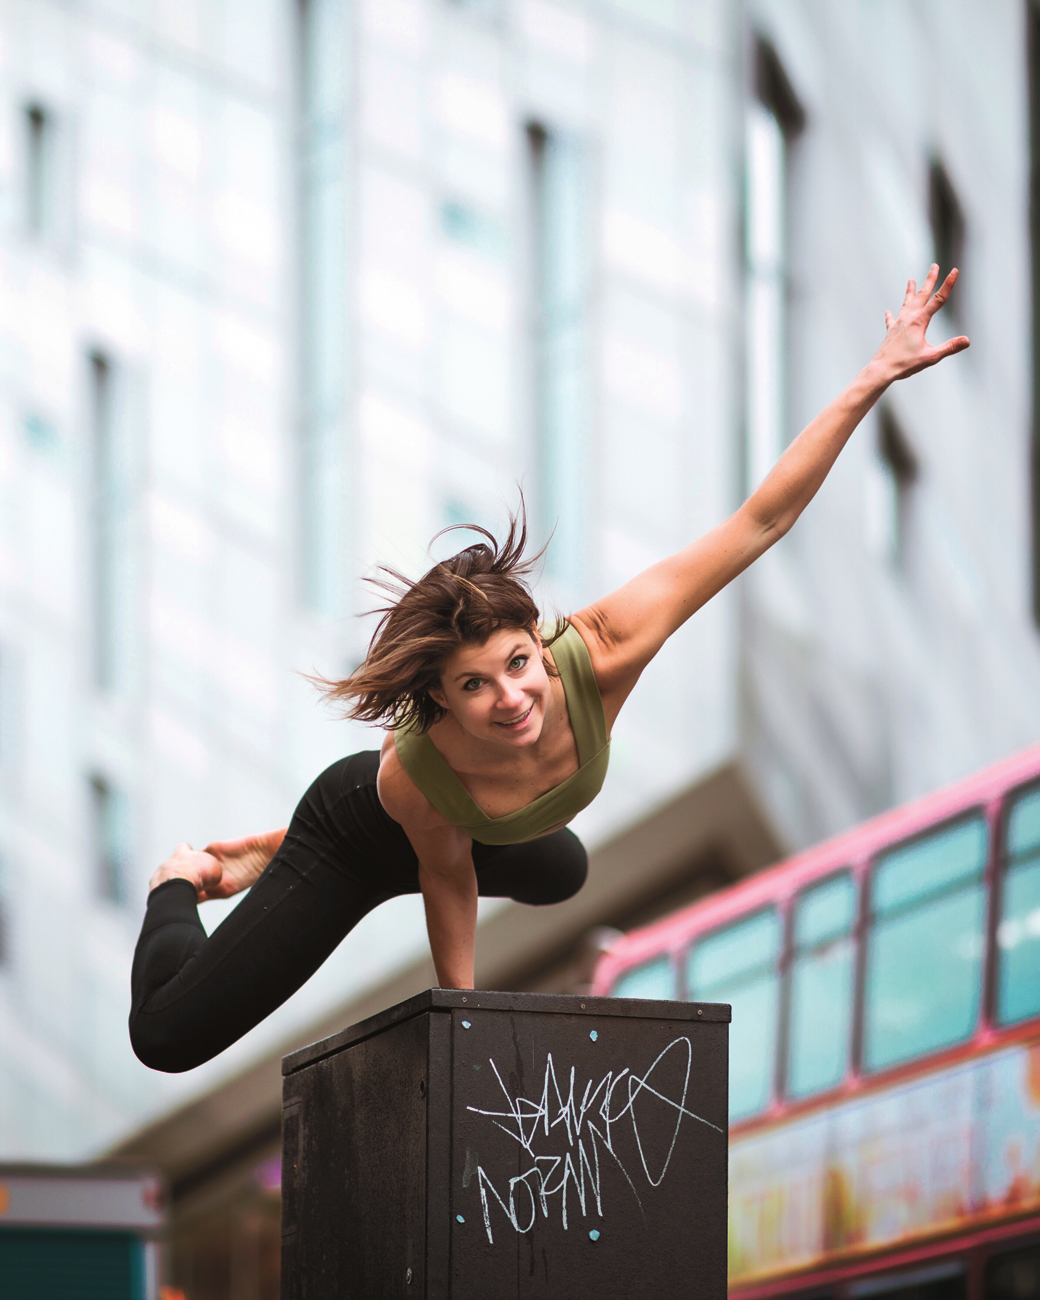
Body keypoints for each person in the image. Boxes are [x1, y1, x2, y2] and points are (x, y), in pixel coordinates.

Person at [130, 266, 968, 1072]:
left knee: (562, 869)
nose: (512, 700)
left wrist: (877, 374)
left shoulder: (609, 648)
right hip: (360, 829)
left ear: (539, 634)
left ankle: (267, 851)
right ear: (436, 698)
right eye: (473, 687)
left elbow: (761, 521)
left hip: (457, 825)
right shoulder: (423, 769)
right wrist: (461, 1015)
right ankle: (187, 877)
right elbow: (447, 877)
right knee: (169, 1037)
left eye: (518, 664)